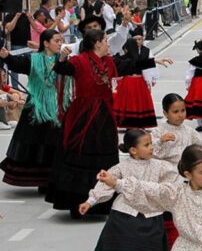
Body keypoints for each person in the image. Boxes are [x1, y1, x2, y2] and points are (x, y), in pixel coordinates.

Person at [45, 29, 156, 218]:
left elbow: (131, 65)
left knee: (104, 156)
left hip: (104, 115)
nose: (107, 44)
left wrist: (154, 61)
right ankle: (77, 202)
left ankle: (102, 203)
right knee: (81, 151)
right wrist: (62, 58)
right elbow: (61, 69)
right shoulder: (79, 60)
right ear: (97, 43)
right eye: (105, 40)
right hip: (83, 114)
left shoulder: (109, 62)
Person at [79, 130, 175, 251]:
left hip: (150, 215)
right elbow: (106, 183)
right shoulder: (121, 167)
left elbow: (171, 186)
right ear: (133, 150)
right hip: (123, 215)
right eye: (147, 145)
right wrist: (90, 202)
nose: (152, 147)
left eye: (151, 143)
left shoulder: (161, 166)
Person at [151, 93, 202, 249]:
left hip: (187, 178)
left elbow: (200, 149)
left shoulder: (190, 132)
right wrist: (160, 141)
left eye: (183, 110)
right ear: (165, 113)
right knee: (168, 212)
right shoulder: (158, 131)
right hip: (167, 177)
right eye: (175, 112)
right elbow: (149, 151)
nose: (180, 115)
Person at [0, 30, 72, 191]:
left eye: (61, 40)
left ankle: (53, 178)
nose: (60, 43)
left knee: (54, 142)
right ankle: (39, 179)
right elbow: (17, 64)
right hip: (36, 107)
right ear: (46, 43)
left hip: (57, 106)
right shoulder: (33, 59)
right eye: (57, 40)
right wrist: (7, 57)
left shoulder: (62, 61)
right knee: (36, 142)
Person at [112, 38, 172, 129]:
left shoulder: (124, 59)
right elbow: (142, 63)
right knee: (140, 103)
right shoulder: (138, 59)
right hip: (139, 83)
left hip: (128, 83)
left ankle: (129, 124)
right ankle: (140, 123)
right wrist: (156, 61)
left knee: (129, 104)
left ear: (126, 48)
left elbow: (119, 68)